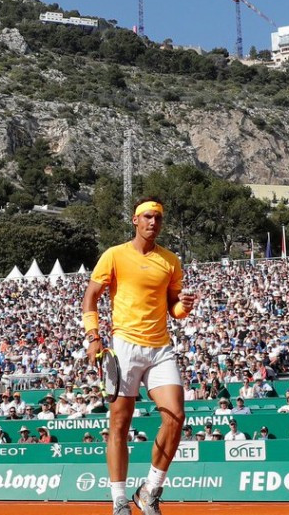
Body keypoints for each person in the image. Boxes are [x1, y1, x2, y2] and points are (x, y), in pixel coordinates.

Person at [81, 196, 198, 515]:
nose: (153, 223)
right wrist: (93, 337)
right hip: (124, 346)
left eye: (158, 218)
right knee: (120, 423)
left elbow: (174, 310)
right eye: (147, 217)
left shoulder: (171, 260)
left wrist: (183, 306)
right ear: (135, 220)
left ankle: (150, 490)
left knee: (175, 417)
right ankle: (119, 498)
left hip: (160, 347)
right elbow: (90, 298)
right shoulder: (114, 255)